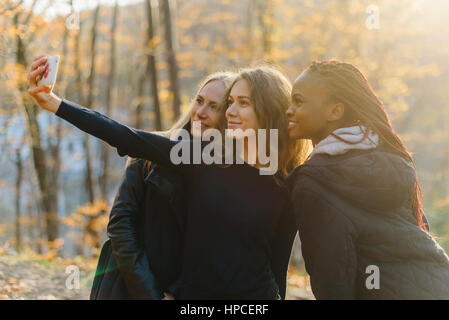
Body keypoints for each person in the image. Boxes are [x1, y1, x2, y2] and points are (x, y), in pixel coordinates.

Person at [28, 56, 310, 299]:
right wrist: (55, 103)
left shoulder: (287, 179)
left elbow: (278, 261)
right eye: (231, 102)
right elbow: (126, 136)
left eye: (242, 103)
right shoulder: (203, 156)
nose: (230, 112)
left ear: (269, 109)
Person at [286, 59, 449, 299]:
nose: (289, 110)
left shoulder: (313, 182)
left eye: (298, 101)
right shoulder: (389, 156)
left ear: (335, 111)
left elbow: (333, 282)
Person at [90, 72, 236, 300]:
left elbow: (216, 248)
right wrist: (151, 295)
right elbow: (121, 225)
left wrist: (180, 292)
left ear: (228, 116)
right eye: (199, 101)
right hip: (129, 286)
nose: (200, 112)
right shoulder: (150, 153)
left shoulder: (230, 172)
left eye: (214, 107)